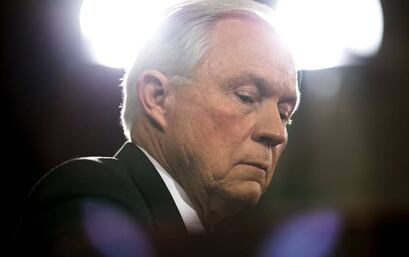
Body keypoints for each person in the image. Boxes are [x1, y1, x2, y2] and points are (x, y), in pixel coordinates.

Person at [15, 0, 300, 256]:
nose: (276, 132)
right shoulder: (92, 190)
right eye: (246, 96)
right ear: (158, 97)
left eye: (284, 113)